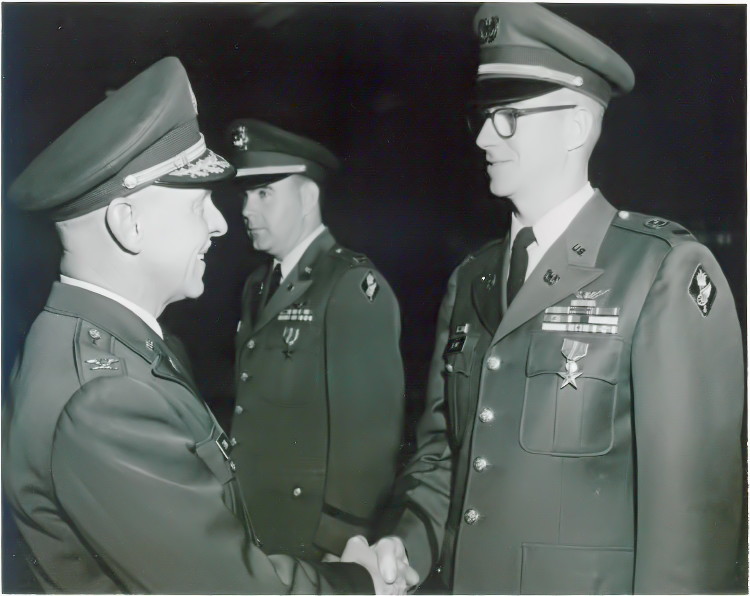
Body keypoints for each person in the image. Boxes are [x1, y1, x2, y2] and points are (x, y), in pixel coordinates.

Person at [3, 57, 415, 594]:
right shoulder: (105, 397)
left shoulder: (88, 345)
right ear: (130, 224)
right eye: (200, 204)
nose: (224, 223)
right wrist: (359, 583)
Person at [369, 4, 744, 594]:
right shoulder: (473, 280)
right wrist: (404, 541)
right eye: (484, 116)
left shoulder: (659, 270)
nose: (486, 136)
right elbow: (447, 456)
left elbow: (694, 523)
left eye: (510, 116)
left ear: (575, 127)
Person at [225, 118, 406, 560]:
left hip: (311, 541)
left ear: (308, 197)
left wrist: (339, 542)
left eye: (264, 193)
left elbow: (371, 438)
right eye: (246, 195)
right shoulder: (257, 285)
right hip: (254, 529)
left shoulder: (349, 286)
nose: (247, 210)